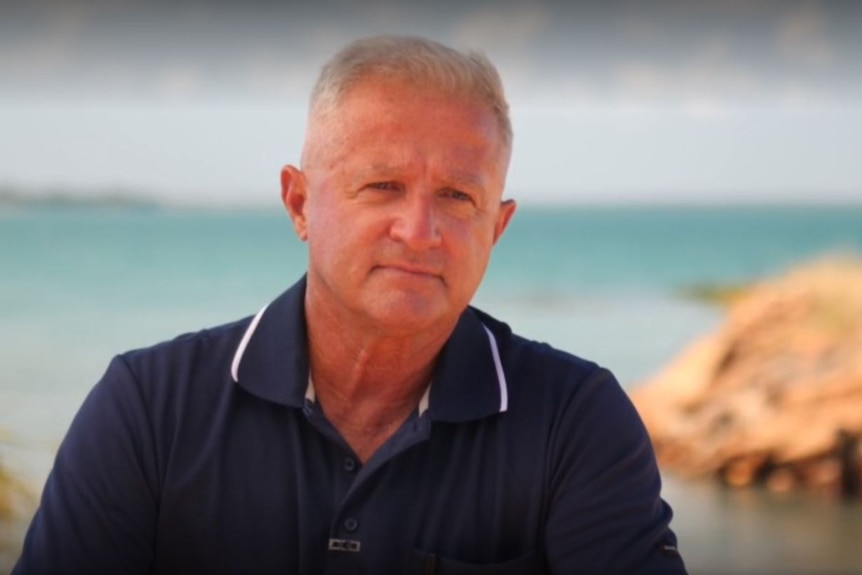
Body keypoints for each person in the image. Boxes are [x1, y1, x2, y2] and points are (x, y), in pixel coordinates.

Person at [14, 35, 687, 574]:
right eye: (383, 185)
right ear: (300, 202)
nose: (420, 230)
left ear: (497, 227)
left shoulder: (575, 417)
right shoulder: (147, 407)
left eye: (458, 196)